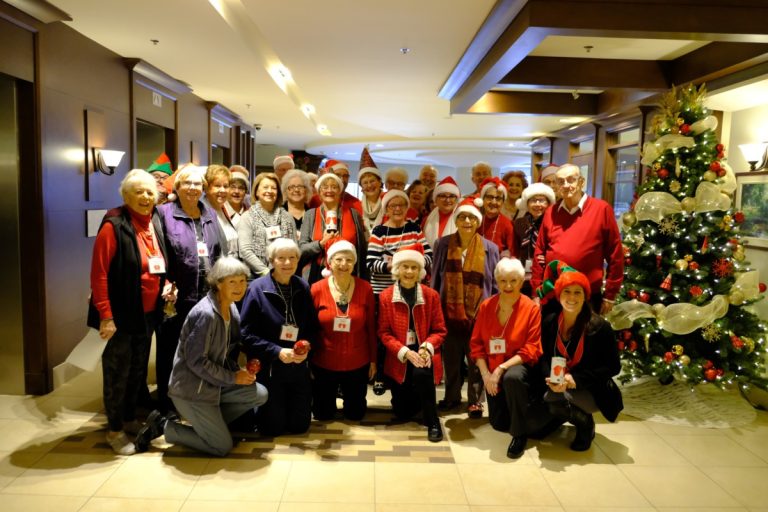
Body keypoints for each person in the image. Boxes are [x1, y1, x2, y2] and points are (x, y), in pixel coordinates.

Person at [134, 257, 269, 456]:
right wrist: (233, 377)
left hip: (212, 384)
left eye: (242, 281)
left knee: (259, 393)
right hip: (192, 391)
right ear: (218, 283)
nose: (239, 287)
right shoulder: (206, 315)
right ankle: (165, 426)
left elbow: (227, 350)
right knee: (221, 446)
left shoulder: (231, 308)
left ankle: (212, 426)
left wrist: (242, 371)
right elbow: (197, 361)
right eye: (232, 281)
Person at [89, 169, 166, 455]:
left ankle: (129, 417)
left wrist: (167, 285)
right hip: (121, 315)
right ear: (126, 196)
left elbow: (159, 262)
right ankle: (114, 430)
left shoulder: (154, 222)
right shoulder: (114, 225)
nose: (145, 197)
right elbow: (99, 274)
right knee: (117, 374)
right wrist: (106, 316)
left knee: (137, 371)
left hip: (147, 313)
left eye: (150, 192)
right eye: (139, 192)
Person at [155, 165, 225, 414]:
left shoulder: (210, 214)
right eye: (187, 183)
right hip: (176, 297)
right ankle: (168, 404)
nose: (193, 188)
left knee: (199, 350)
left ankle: (195, 399)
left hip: (206, 298)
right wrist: (165, 282)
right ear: (177, 187)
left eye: (197, 184)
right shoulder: (163, 213)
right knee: (170, 350)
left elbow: (219, 253)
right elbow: (157, 252)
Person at [240, 238, 317, 436]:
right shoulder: (257, 289)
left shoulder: (302, 286)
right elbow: (246, 334)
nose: (287, 263)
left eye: (292, 257)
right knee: (271, 428)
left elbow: (312, 327)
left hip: (297, 366)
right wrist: (277, 351)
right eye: (281, 258)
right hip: (270, 367)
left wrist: (306, 348)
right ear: (271, 260)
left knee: (299, 427)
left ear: (298, 260)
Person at [540, 271, 623, 451]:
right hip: (558, 383)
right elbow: (543, 357)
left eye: (577, 292)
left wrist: (576, 379)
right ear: (559, 295)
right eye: (567, 292)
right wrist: (552, 378)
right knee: (548, 400)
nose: (572, 297)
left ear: (585, 296)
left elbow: (613, 367)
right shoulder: (550, 322)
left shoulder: (600, 327)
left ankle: (585, 424)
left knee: (552, 400)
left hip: (591, 388)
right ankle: (563, 416)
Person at [431, 198, 499, 418]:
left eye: (471, 217)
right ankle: (451, 397)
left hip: (479, 315)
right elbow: (435, 278)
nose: (467, 221)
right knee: (451, 359)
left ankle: (475, 401)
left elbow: (494, 284)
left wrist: (494, 313)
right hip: (448, 313)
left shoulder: (490, 248)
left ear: (478, 221)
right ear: (456, 220)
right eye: (462, 217)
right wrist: (434, 309)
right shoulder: (442, 244)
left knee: (476, 360)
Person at [470, 258, 543, 459]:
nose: (508, 286)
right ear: (496, 282)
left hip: (519, 367)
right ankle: (523, 417)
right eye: (503, 281)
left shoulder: (531, 308)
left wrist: (501, 368)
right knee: (499, 424)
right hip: (492, 370)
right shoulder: (487, 306)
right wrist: (485, 374)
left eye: (513, 280)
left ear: (521, 281)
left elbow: (531, 348)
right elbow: (476, 345)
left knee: (512, 377)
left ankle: (520, 435)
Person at [531, 164, 624, 314]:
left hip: (587, 297)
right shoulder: (551, 212)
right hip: (553, 295)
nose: (566, 185)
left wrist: (610, 295)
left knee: (586, 330)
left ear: (581, 182)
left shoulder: (601, 209)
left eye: (571, 180)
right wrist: (536, 291)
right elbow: (539, 252)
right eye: (561, 181)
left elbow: (615, 255)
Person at [378, 244, 447, 442]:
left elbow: (440, 330)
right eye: (405, 267)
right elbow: (384, 333)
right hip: (400, 354)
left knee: (422, 373)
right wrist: (405, 352)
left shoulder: (431, 296)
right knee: (402, 412)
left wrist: (426, 348)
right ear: (397, 269)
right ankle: (416, 401)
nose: (409, 272)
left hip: (424, 351)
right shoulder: (385, 296)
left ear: (420, 271)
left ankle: (433, 421)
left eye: (414, 267)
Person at [310, 241, 376, 421]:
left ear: (354, 263)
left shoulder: (365, 288)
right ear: (329, 263)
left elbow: (371, 327)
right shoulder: (317, 289)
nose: (343, 264)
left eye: (349, 260)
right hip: (324, 361)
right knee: (322, 415)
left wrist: (373, 360)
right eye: (338, 259)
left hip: (357, 361)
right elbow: (310, 328)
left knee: (356, 415)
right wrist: (309, 361)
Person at [299, 172, 368, 284]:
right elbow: (302, 249)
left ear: (340, 191)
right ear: (319, 192)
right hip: (317, 273)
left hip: (348, 271)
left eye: (334, 187)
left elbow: (361, 249)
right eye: (325, 187)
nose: (329, 190)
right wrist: (321, 243)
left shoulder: (354, 214)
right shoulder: (310, 214)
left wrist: (363, 278)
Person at [367, 190, 432, 295]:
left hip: (410, 289)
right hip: (382, 291)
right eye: (393, 206)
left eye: (401, 205)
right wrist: (394, 265)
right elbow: (370, 263)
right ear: (386, 209)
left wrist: (412, 263)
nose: (397, 209)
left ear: (407, 208)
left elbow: (429, 256)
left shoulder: (414, 229)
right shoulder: (379, 231)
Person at [238, 172, 296, 278]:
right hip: (255, 277)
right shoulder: (247, 217)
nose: (269, 191)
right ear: (257, 192)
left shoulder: (287, 217)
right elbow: (245, 251)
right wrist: (267, 273)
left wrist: (284, 271)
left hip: (285, 275)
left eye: (274, 188)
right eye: (265, 187)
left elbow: (294, 249)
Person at [512, 183, 556, 296]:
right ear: (527, 204)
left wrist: (548, 257)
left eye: (541, 200)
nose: (537, 204)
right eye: (533, 200)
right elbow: (515, 249)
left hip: (545, 274)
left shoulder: (554, 224)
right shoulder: (519, 223)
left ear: (549, 203)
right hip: (523, 275)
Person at [203, 165, 239, 257]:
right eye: (217, 186)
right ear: (207, 188)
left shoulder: (224, 208)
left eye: (226, 186)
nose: (222, 190)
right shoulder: (202, 211)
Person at [476, 177, 515, 257]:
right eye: (490, 197)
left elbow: (513, 252)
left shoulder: (507, 224)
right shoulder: (477, 221)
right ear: (483, 199)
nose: (493, 202)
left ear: (503, 202)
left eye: (498, 198)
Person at [422, 176, 460, 248]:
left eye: (451, 196)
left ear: (457, 199)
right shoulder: (426, 220)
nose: (447, 200)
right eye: (443, 196)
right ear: (435, 199)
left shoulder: (462, 219)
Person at [281, 169, 312, 238]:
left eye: (300, 186)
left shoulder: (313, 214)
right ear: (285, 191)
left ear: (306, 190)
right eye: (292, 187)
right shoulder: (277, 214)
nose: (296, 190)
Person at [359, 166, 384, 233]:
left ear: (380, 182)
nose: (369, 185)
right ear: (361, 187)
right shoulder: (357, 206)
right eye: (365, 183)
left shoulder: (388, 203)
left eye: (372, 181)